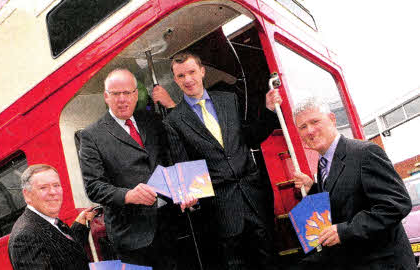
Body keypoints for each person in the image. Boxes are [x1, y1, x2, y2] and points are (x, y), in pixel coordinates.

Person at [162, 52, 282, 270]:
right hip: (219, 210)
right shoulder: (173, 121)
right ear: (176, 80)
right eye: (181, 76)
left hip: (254, 197)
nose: (188, 80)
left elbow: (250, 136)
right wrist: (189, 195)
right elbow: (183, 164)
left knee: (269, 260)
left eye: (191, 72)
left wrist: (268, 111)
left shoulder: (229, 99)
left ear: (202, 71)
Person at [78, 69, 196, 270]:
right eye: (116, 94)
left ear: (135, 95)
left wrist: (187, 190)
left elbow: (171, 157)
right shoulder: (91, 136)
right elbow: (94, 186)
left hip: (171, 223)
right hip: (133, 238)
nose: (122, 99)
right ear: (106, 97)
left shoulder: (151, 121)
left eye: (127, 93)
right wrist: (128, 195)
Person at [292, 97, 416, 270]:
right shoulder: (323, 165)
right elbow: (344, 202)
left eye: (315, 121)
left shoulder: (365, 153)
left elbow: (396, 205)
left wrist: (344, 231)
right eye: (303, 127)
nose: (310, 131)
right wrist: (313, 188)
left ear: (332, 119)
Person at [8, 164, 96, 270]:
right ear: (27, 195)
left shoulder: (47, 219)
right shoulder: (25, 237)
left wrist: (79, 226)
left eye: (56, 185)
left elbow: (63, 253)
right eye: (43, 188)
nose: (53, 192)